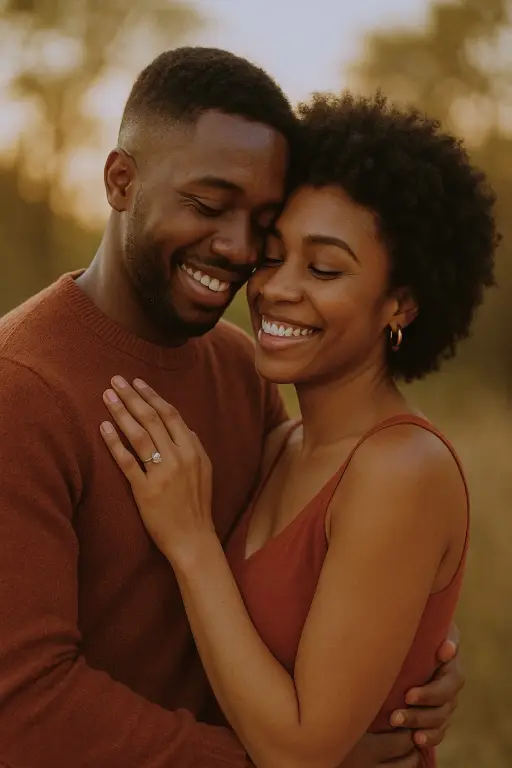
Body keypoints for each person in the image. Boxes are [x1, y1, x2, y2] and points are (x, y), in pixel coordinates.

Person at [0, 48, 461, 768]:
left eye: (262, 222)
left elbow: (309, 566)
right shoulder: (20, 388)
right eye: (210, 207)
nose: (240, 250)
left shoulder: (241, 367)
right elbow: (22, 708)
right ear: (121, 181)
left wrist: (405, 670)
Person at [99, 91, 498, 767]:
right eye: (272, 255)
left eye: (324, 268)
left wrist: (191, 541)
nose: (277, 289)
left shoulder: (401, 468)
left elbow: (299, 753)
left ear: (399, 302)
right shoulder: (282, 443)